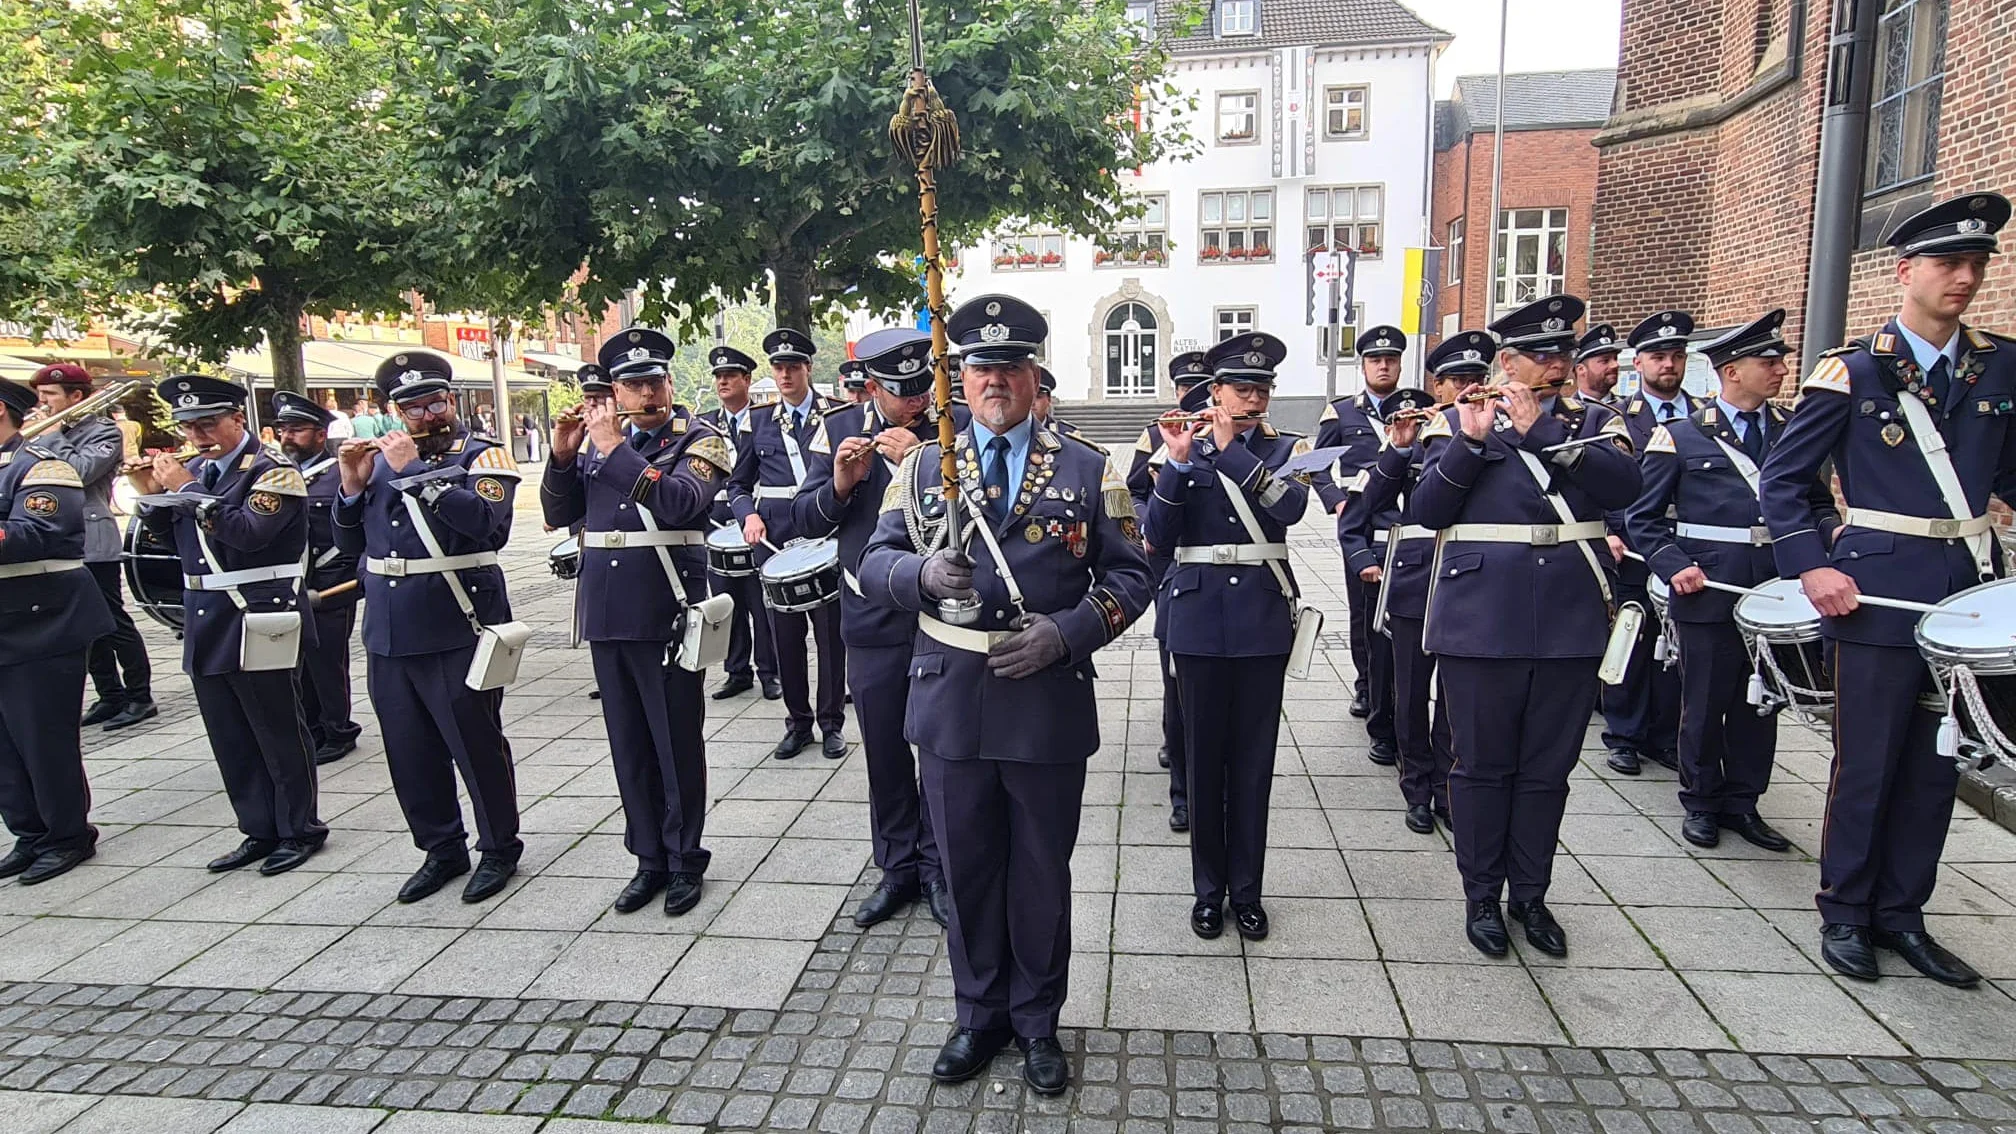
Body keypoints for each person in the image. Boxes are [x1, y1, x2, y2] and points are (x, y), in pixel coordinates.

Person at [859, 295, 1149, 1095]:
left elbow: (1132, 575)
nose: (995, 381)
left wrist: (1070, 632)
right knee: (967, 868)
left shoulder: (1090, 466)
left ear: (1032, 377)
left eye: (1010, 367)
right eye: (981, 368)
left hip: (1046, 700)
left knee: (1040, 874)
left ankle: (1037, 1021)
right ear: (962, 378)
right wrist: (916, 575)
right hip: (949, 699)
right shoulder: (922, 466)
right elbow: (873, 563)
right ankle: (977, 1015)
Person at [1759, 191, 2016, 987]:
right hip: (1872, 598)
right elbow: (1784, 482)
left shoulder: (2002, 363)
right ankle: (1845, 911)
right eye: (1948, 264)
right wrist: (1814, 566)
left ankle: (1904, 915)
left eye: (1976, 265)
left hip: (1960, 593)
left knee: (1939, 768)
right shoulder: (1852, 370)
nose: (1965, 279)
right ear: (1905, 272)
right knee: (1866, 763)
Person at [1412, 295, 1641, 959]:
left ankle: (1531, 895)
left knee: (1547, 770)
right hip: (1480, 620)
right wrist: (1471, 439)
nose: (1555, 364)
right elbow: (1428, 509)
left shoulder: (1593, 419)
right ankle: (1482, 895)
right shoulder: (1458, 420)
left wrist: (1542, 430)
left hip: (1569, 619)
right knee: (1481, 767)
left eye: (1561, 353)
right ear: (1504, 362)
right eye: (1538, 354)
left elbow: (1625, 487)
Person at [1624, 309, 1830, 852]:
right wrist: (1673, 566)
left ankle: (1744, 801)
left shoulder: (1792, 430)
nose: (1781, 369)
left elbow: (1817, 503)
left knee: (1762, 702)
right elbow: (1643, 518)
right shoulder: (1681, 435)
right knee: (1706, 698)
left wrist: (1831, 543)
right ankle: (1700, 800)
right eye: (1768, 361)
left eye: (1780, 360)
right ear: (1731, 371)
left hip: (1775, 587)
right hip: (1708, 585)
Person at [544, 328, 730, 917]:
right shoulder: (602, 443)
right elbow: (557, 513)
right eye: (631, 384)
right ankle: (647, 857)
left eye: (653, 381)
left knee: (674, 743)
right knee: (627, 744)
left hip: (666, 610)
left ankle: (683, 858)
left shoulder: (702, 438)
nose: (643, 391)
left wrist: (613, 449)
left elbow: (679, 503)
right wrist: (565, 455)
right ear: (616, 391)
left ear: (669, 383)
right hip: (606, 611)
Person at [334, 350, 523, 905]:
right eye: (411, 408)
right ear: (393, 411)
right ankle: (441, 847)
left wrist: (414, 472)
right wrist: (350, 486)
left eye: (434, 403)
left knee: (474, 742)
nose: (425, 415)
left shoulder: (482, 455)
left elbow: (489, 528)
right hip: (390, 627)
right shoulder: (378, 460)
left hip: (457, 620)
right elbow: (349, 547)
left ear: (452, 401)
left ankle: (498, 846)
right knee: (408, 748)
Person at [1146, 332, 1310, 942]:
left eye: (1262, 389)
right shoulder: (1183, 450)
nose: (1254, 399)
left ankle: (1248, 891)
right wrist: (1182, 463)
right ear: (1213, 392)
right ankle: (1207, 892)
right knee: (1203, 759)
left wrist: (1231, 449)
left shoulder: (1285, 447)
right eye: (1242, 388)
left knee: (1252, 765)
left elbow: (1290, 509)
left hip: (1262, 622)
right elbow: (1157, 537)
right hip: (1195, 619)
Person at [797, 328, 959, 928]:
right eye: (902, 392)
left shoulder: (959, 422)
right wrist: (841, 485)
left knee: (941, 754)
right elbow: (805, 517)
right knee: (886, 754)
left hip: (944, 616)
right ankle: (896, 869)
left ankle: (941, 867)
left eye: (924, 386)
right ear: (872, 388)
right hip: (871, 615)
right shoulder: (839, 427)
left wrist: (915, 459)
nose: (916, 401)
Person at [138, 375, 326, 876]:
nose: (198, 435)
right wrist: (151, 496)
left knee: (277, 727)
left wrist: (187, 490)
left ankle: (299, 828)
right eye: (189, 426)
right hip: (207, 614)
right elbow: (171, 537)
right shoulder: (196, 469)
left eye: (208, 423)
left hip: (259, 611)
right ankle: (258, 827)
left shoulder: (273, 469)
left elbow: (247, 534)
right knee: (230, 734)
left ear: (238, 419)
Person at [1339, 337, 1486, 835]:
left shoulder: (1494, 437)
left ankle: (1449, 783)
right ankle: (1417, 784)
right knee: (1408, 690)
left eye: (1474, 381)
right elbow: (1366, 505)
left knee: (1459, 695)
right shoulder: (1417, 437)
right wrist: (1398, 450)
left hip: (1473, 583)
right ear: (1437, 387)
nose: (1467, 391)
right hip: (1415, 578)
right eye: (1456, 382)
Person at [0, 377, 113, 885]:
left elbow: (37, 534)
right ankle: (30, 833)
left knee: (41, 738)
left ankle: (67, 835)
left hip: (41, 620)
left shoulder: (42, 465)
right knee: (3, 745)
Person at [727, 329, 846, 759]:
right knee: (785, 636)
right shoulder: (757, 421)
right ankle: (798, 723)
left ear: (808, 369)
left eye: (793, 367)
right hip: (774, 542)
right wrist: (748, 515)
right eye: (778, 368)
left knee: (832, 637)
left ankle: (832, 722)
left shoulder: (835, 416)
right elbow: (737, 484)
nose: (785, 375)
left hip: (823, 535)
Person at [1602, 312, 1701, 776]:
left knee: (1674, 645)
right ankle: (1623, 734)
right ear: (1637, 364)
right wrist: (1612, 528)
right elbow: (1605, 479)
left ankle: (1663, 735)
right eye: (1658, 357)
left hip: (1686, 544)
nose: (1668, 365)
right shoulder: (1619, 417)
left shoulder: (1704, 415)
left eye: (1677, 356)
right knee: (1634, 637)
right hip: (1635, 544)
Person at [31, 364, 154, 732]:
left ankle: (139, 695)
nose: (42, 403)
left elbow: (79, 473)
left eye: (50, 396)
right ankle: (110, 694)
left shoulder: (103, 432)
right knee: (82, 626)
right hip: (58, 540)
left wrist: (52, 435)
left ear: (76, 397)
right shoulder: (50, 433)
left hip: (93, 537)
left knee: (112, 620)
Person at [1128, 353, 1214, 833]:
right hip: (1175, 568)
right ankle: (1180, 778)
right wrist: (1145, 524)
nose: (1193, 396)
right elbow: (1137, 490)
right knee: (1176, 675)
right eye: (1187, 386)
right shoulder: (1160, 433)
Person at [1312, 324, 1406, 742]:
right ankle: (1366, 684)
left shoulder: (1414, 409)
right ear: (1363, 364)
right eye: (1375, 360)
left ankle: (1398, 687)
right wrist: (1335, 499)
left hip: (1404, 517)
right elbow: (1317, 463)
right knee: (1362, 610)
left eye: (1390, 360)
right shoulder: (1343, 412)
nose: (1383, 366)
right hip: (1360, 518)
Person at [271, 392, 363, 765]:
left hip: (330, 583)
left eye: (297, 430)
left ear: (321, 435)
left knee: (327, 662)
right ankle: (310, 726)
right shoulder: (279, 474)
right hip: (292, 583)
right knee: (297, 663)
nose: (288, 437)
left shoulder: (337, 472)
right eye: (283, 430)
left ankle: (338, 729)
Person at [695, 350, 780, 701]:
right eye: (718, 377)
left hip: (756, 520)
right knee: (727, 601)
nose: (723, 382)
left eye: (731, 375)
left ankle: (770, 671)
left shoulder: (765, 420)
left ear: (747, 379)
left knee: (761, 603)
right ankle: (737, 670)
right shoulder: (704, 424)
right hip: (717, 522)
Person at [1573, 324, 1622, 405]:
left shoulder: (1629, 411)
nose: (1615, 365)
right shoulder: (1565, 413)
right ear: (1581, 369)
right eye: (1605, 361)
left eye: (1615, 359)